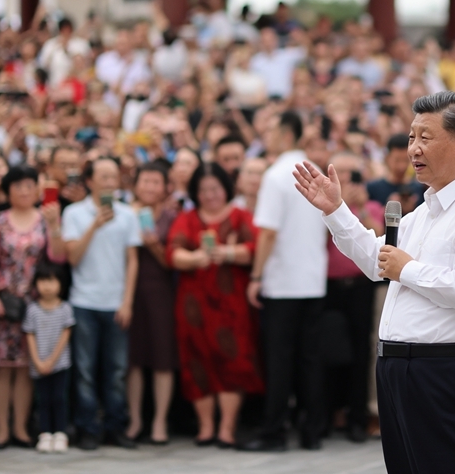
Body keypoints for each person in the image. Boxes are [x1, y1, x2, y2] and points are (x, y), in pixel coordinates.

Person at [293, 91, 455, 474]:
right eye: (412, 137)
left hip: (453, 373)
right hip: (402, 372)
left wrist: (408, 270)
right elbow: (378, 261)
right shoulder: (426, 210)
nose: (413, 148)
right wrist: (336, 211)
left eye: (425, 137)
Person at [240, 111, 329, 452]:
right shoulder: (315, 172)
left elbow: (267, 233)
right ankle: (312, 432)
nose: (267, 134)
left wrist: (256, 275)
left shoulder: (277, 175)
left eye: (272, 130)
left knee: (279, 360)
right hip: (313, 279)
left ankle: (274, 432)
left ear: (287, 135)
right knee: (310, 359)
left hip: (282, 282)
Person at [168, 162, 262, 448]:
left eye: (215, 189)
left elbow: (256, 249)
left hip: (231, 303)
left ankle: (227, 428)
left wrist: (228, 253)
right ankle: (205, 427)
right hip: (194, 304)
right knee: (197, 359)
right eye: (203, 190)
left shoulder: (241, 216)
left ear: (226, 189)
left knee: (233, 359)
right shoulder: (187, 218)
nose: (210, 195)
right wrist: (195, 259)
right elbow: (173, 252)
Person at [62, 157, 141, 450]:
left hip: (116, 302)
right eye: (104, 177)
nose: (110, 182)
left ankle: (115, 427)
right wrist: (94, 225)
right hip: (84, 301)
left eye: (113, 176)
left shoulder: (128, 214)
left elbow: (132, 261)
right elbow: (72, 257)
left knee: (117, 370)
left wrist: (127, 301)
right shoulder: (74, 213)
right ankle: (87, 428)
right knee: (84, 370)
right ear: (89, 181)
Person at [0, 165, 65, 448]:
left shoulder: (45, 219)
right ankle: (1, 429)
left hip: (35, 303)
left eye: (29, 185)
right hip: (4, 301)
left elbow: (58, 257)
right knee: (1, 367)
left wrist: (55, 226)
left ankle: (20, 427)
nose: (24, 191)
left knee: (25, 367)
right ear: (7, 191)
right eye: (17, 185)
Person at [321, 152, 384, 444]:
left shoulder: (372, 206)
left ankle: (357, 418)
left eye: (351, 173)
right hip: (329, 286)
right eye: (340, 171)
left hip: (361, 286)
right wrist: (337, 209)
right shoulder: (322, 205)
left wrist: (358, 209)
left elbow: (380, 240)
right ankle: (328, 413)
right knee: (328, 350)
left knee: (361, 350)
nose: (346, 178)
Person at [125, 162, 178, 444]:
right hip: (129, 292)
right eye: (145, 181)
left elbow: (172, 261)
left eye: (156, 182)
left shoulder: (172, 217)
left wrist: (153, 244)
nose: (149, 187)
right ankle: (135, 420)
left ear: (166, 187)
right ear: (135, 185)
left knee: (162, 357)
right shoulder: (124, 213)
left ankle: (160, 421)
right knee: (133, 359)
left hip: (161, 292)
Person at [23, 268, 74, 454]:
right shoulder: (32, 309)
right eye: (43, 281)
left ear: (61, 284)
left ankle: (60, 433)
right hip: (38, 365)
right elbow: (29, 334)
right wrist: (37, 361)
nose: (47, 286)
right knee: (43, 399)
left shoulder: (65, 308)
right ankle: (44, 434)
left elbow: (66, 334)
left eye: (52, 281)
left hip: (60, 364)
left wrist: (52, 361)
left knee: (59, 398)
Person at [366, 133, 424, 213]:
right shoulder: (372, 188)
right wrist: (388, 210)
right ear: (387, 158)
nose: (402, 166)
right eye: (397, 160)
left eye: (405, 160)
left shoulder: (419, 188)